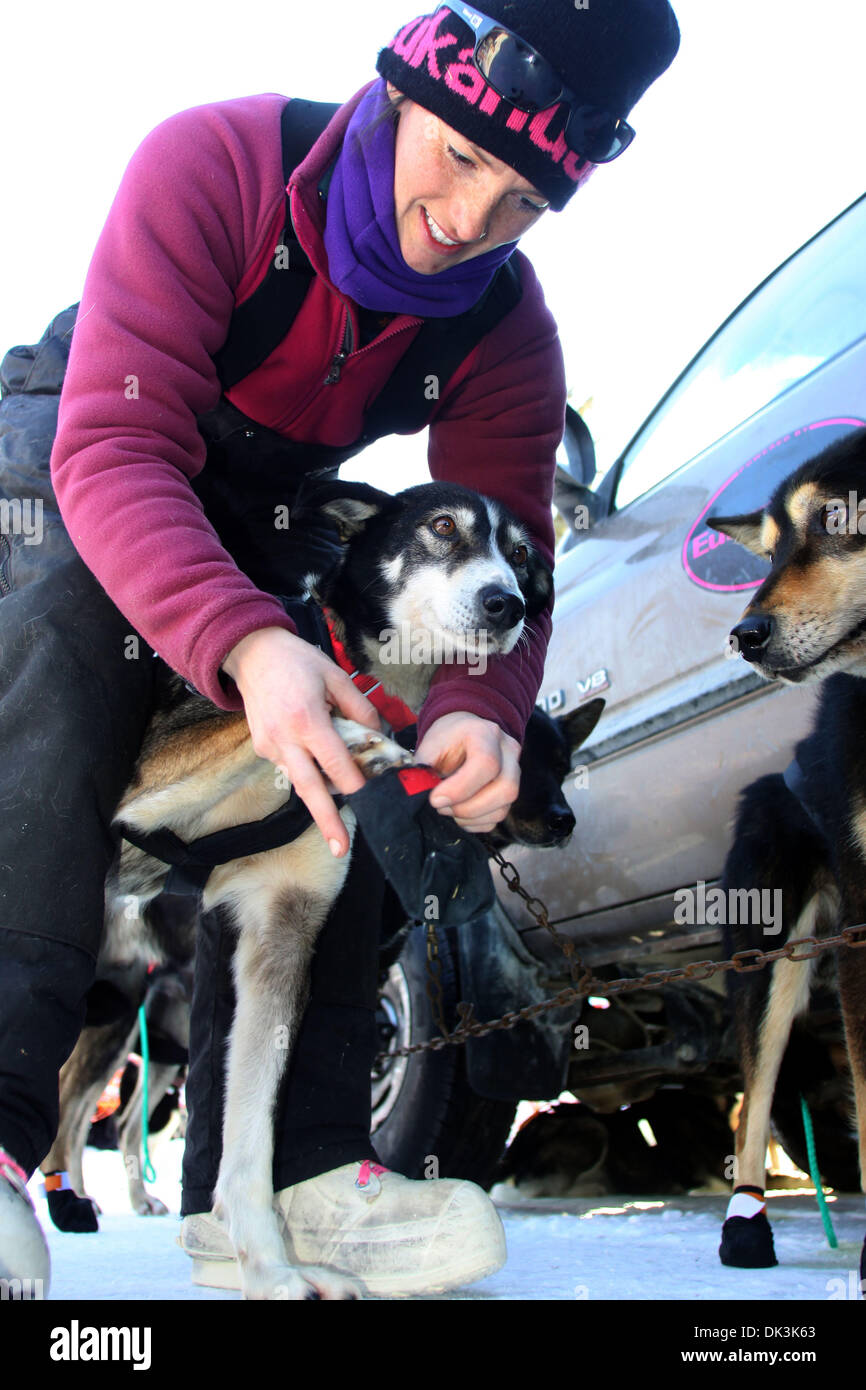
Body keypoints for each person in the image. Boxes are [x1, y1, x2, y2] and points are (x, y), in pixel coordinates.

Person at [0, 0, 680, 1298]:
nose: (472, 218)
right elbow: (112, 450)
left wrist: (476, 708)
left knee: (364, 704)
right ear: (406, 90)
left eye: (526, 194)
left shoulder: (500, 328)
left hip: (260, 493)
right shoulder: (214, 165)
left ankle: (292, 1168)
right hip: (84, 427)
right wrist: (242, 643)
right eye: (462, 156)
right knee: (69, 632)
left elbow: (513, 553)